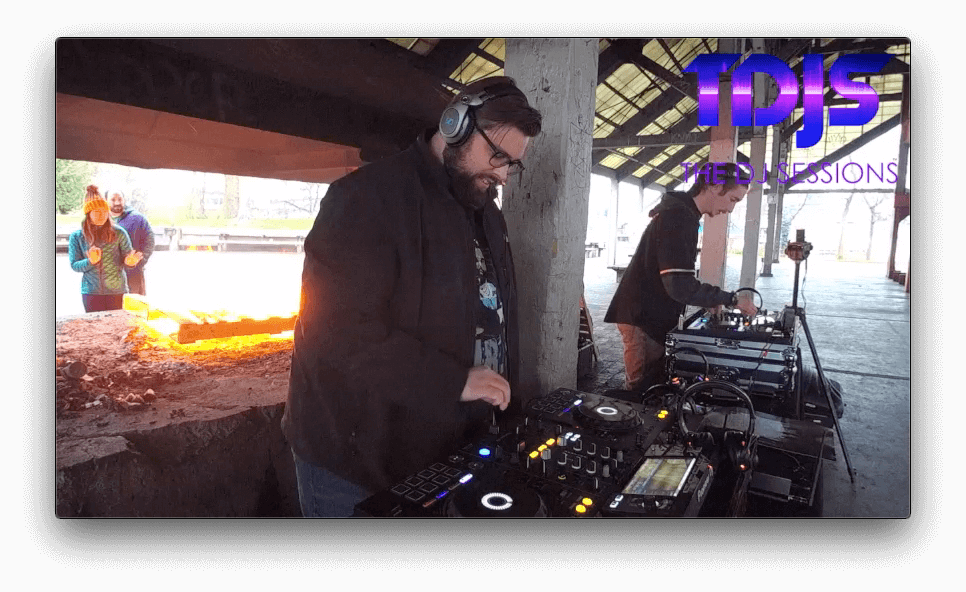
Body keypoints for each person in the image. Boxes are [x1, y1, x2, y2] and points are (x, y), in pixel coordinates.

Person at [281, 76, 542, 517]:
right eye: (497, 155)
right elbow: (336, 332)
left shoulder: (486, 212)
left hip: (442, 449)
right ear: (456, 125)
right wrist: (454, 382)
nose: (502, 175)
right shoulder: (365, 199)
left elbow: (495, 313)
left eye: (512, 164)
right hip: (355, 462)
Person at [604, 162, 758, 391]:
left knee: (653, 385)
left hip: (648, 312)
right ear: (715, 186)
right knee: (642, 392)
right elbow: (679, 285)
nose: (731, 209)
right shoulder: (679, 217)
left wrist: (710, 299)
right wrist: (731, 299)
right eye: (733, 199)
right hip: (642, 315)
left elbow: (679, 278)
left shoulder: (682, 214)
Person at [68, 185, 143, 313]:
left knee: (118, 324)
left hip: (118, 291)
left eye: (104, 211)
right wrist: (90, 261)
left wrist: (129, 262)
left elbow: (127, 258)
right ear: (88, 214)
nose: (101, 215)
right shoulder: (77, 236)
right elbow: (74, 265)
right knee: (96, 324)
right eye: (96, 212)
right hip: (91, 293)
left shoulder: (119, 233)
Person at [106, 189, 155, 296]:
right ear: (106, 200)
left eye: (120, 199)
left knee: (135, 304)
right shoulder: (101, 219)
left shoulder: (137, 219)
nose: (117, 202)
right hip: (108, 277)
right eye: (113, 199)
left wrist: (139, 262)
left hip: (133, 275)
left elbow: (150, 241)